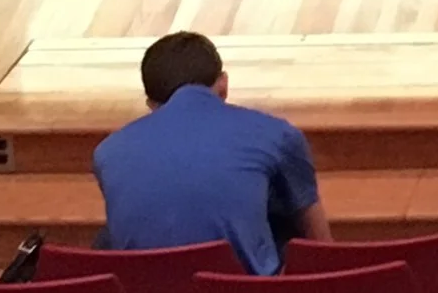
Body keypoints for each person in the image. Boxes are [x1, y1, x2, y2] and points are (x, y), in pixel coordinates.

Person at [93, 31, 329, 271]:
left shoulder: (107, 152)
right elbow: (319, 244)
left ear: (151, 105)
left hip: (146, 284)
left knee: (109, 235)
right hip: (237, 287)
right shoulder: (276, 134)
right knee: (282, 213)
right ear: (223, 85)